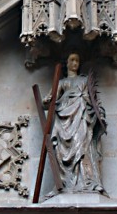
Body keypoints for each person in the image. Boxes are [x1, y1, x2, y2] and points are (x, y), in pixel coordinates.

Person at [45, 53, 106, 194]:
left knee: (84, 148)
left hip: (82, 117)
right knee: (62, 151)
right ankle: (65, 182)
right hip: (64, 120)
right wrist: (46, 101)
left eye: (77, 60)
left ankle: (89, 181)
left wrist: (99, 114)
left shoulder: (84, 81)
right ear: (66, 63)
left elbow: (94, 101)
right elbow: (50, 100)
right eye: (72, 60)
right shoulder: (62, 83)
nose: (75, 63)